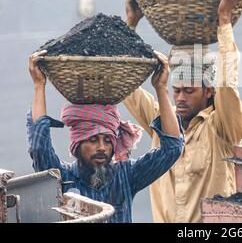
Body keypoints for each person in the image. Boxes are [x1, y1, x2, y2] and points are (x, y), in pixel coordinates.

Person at [123, 0, 242, 222]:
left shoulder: (220, 127)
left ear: (208, 91)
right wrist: (131, 25)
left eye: (189, 91)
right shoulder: (161, 123)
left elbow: (228, 84)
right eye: (176, 91)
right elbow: (127, 87)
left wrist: (224, 19)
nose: (179, 98)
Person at [27, 50, 184, 223]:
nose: (102, 147)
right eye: (93, 140)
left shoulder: (126, 176)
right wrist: (39, 85)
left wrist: (161, 88)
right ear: (76, 144)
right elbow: (39, 148)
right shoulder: (63, 178)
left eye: (108, 140)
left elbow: (172, 149)